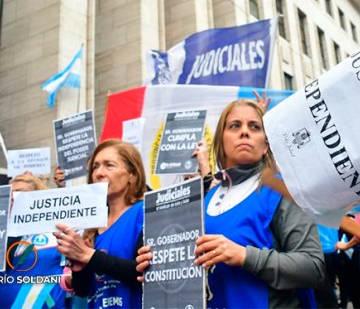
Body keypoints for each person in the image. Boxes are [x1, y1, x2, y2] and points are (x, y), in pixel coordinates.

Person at [137, 99, 326, 308]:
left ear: (265, 145)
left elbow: (313, 267)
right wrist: (159, 266)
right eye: (235, 126)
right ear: (221, 141)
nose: (244, 132)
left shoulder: (284, 192)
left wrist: (244, 255)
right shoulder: (204, 199)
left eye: (254, 127)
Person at [53, 139, 147, 309]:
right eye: (95, 167)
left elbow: (143, 272)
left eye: (109, 165)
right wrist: (80, 268)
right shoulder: (92, 226)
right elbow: (83, 290)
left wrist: (90, 256)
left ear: (132, 175)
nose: (99, 173)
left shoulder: (145, 211)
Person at [1, 173, 67, 309]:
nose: (14, 198)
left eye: (21, 193)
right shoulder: (2, 234)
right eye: (10, 194)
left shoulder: (56, 232)